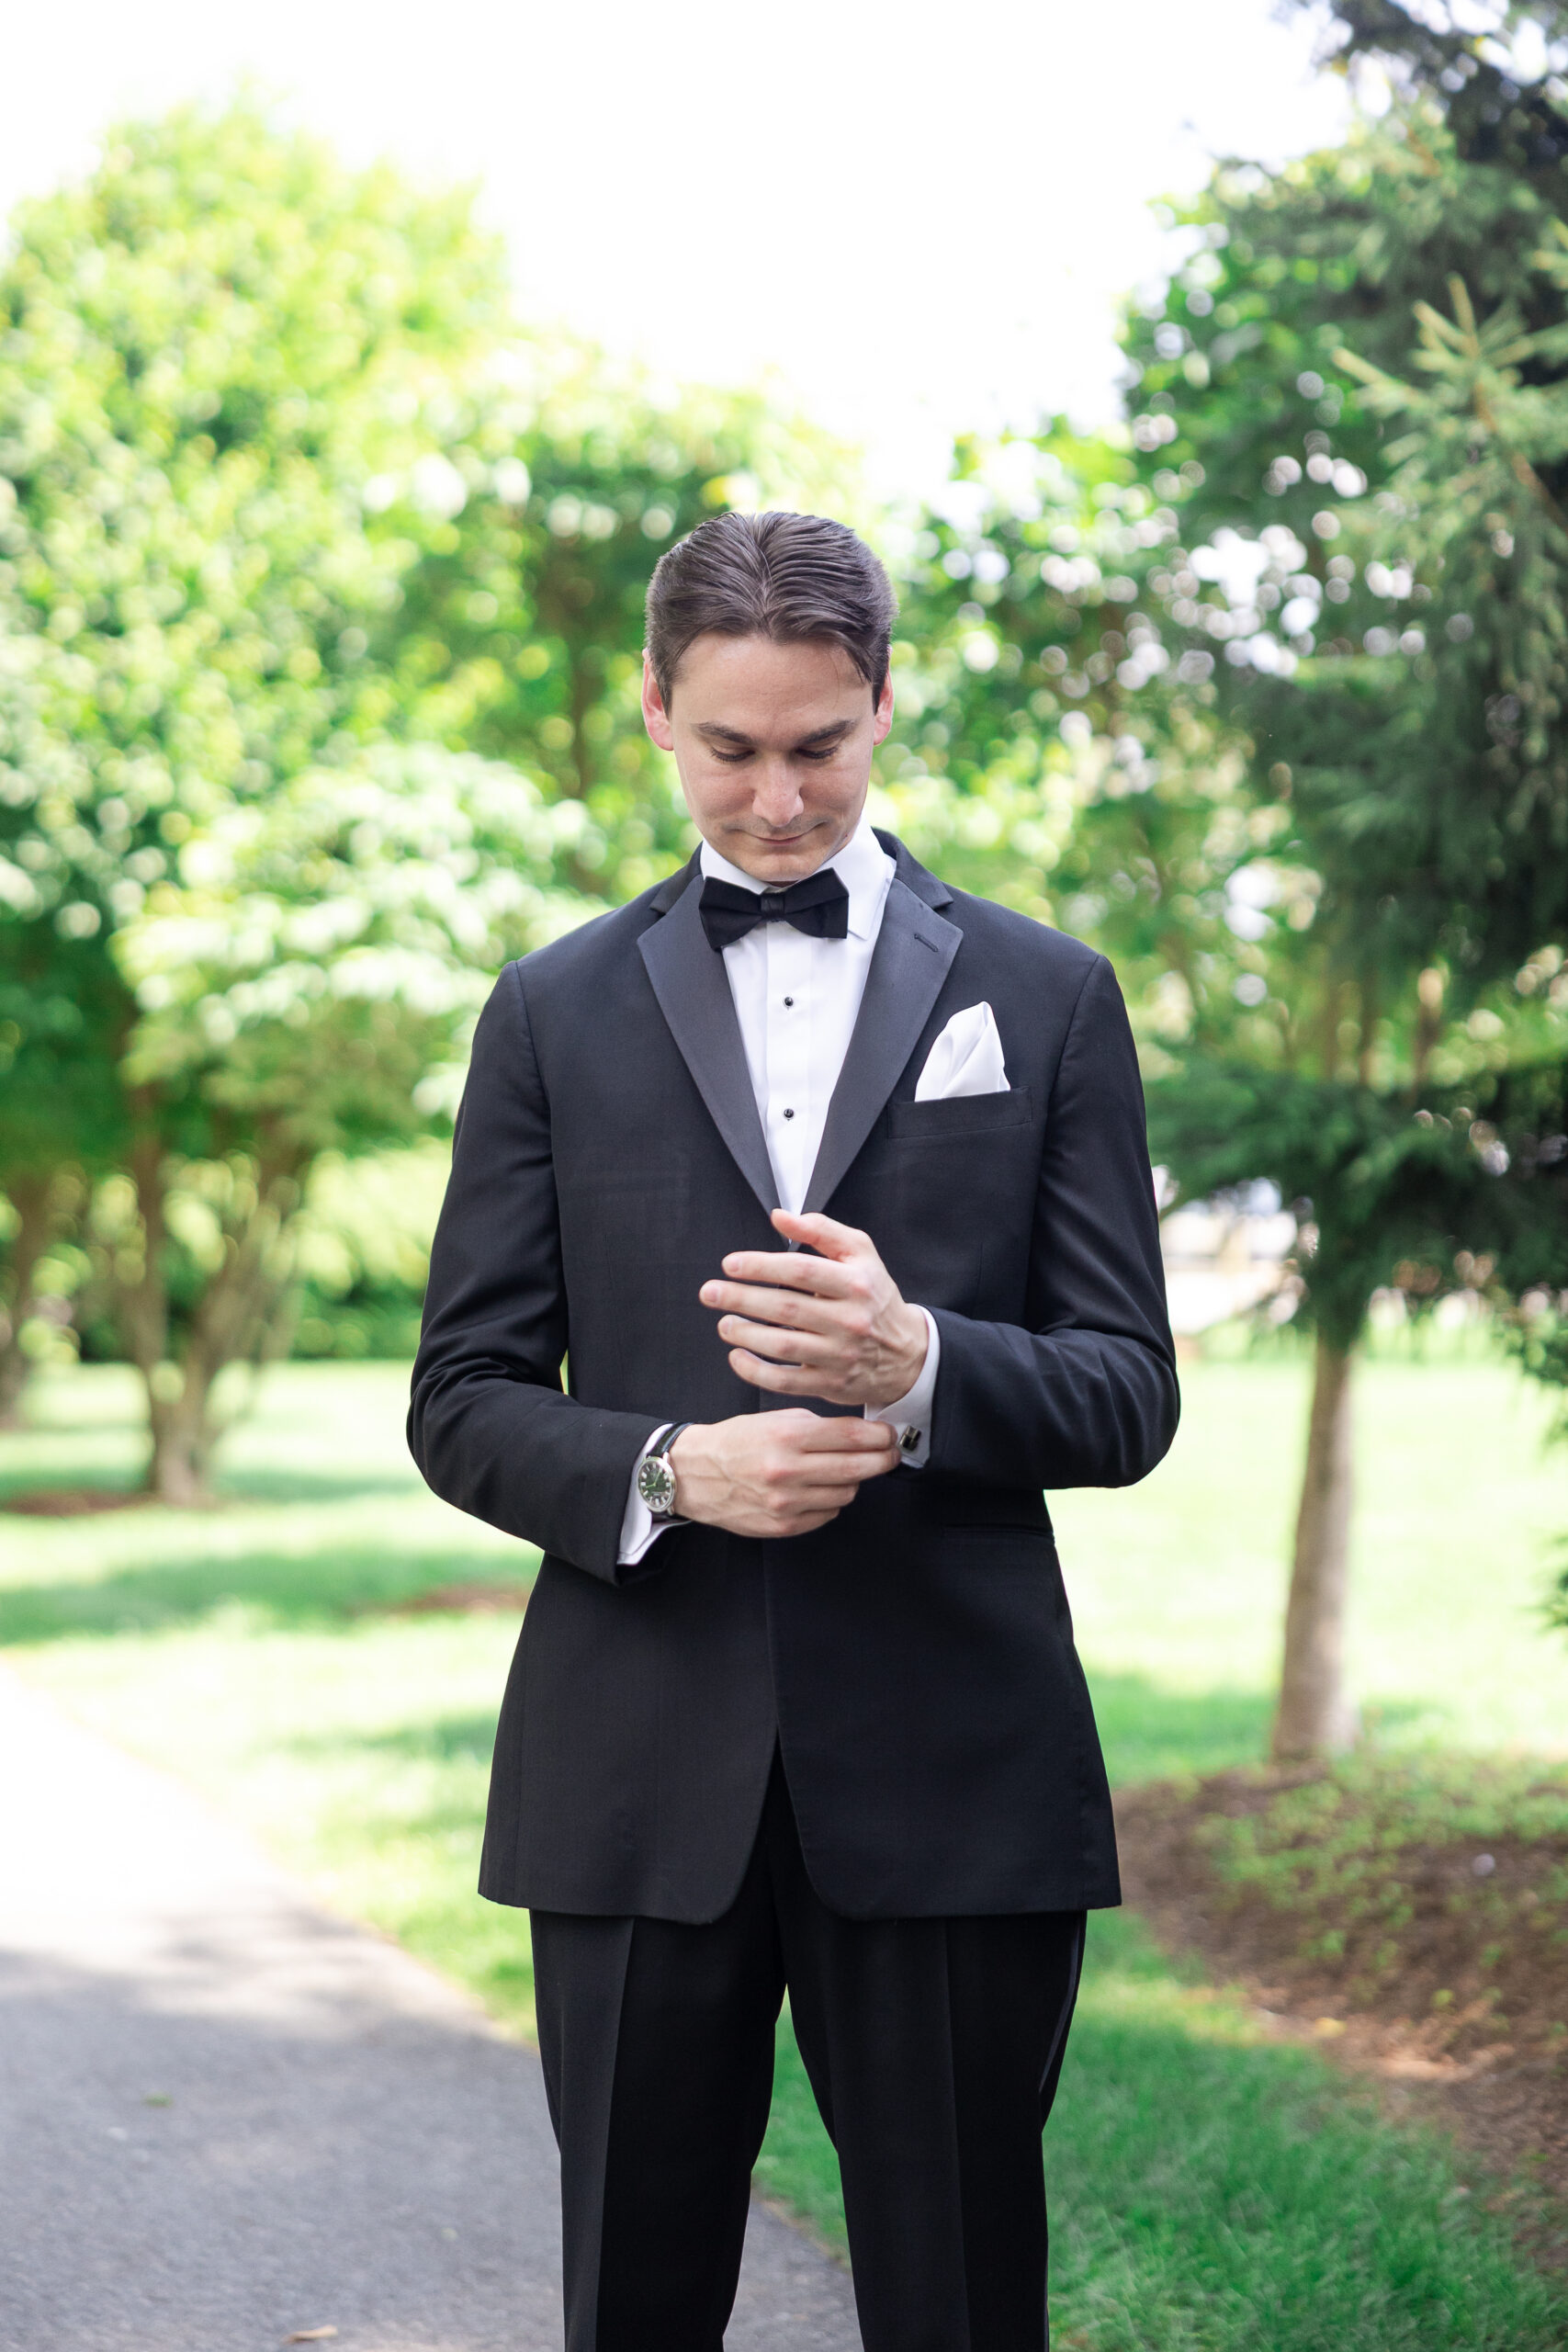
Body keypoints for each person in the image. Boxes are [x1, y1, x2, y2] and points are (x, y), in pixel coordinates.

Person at [409, 511, 1179, 2352]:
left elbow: (1124, 1389)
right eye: (731, 747)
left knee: (962, 2297)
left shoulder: (1046, 993)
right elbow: (462, 1396)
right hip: (633, 1770)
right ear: (654, 711)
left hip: (947, 1759)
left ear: (884, 702)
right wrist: (674, 1468)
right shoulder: (547, 1009)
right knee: (633, 2296)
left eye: (818, 745)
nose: (775, 799)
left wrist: (914, 1365)